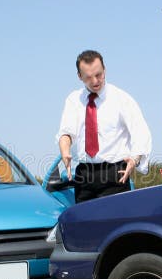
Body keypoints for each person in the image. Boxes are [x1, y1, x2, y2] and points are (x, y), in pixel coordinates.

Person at [57, 49, 152, 203]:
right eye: (88, 77)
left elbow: (140, 132)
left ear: (104, 70)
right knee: (85, 225)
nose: (95, 81)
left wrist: (134, 159)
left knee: (116, 226)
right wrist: (65, 150)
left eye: (99, 74)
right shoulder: (73, 100)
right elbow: (66, 133)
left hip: (115, 174)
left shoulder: (121, 99)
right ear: (79, 76)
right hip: (84, 176)